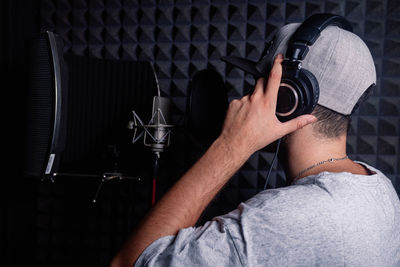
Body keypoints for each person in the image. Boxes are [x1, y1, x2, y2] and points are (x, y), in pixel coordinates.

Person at [111, 22, 400, 267]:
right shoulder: (380, 190)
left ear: (287, 99)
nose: (244, 100)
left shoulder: (282, 221)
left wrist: (231, 146)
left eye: (258, 85)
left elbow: (128, 262)